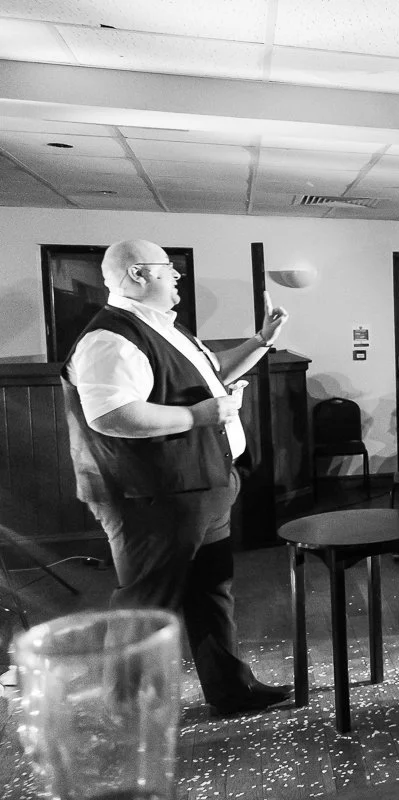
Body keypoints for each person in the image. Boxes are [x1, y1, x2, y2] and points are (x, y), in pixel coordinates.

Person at [61, 238, 293, 717]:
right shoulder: (110, 337)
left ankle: (230, 689)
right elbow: (111, 415)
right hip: (154, 495)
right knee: (146, 604)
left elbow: (215, 374)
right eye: (169, 268)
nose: (178, 276)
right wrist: (199, 417)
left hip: (202, 484)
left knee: (212, 591)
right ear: (138, 275)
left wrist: (262, 340)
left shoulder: (165, 328)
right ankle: (125, 712)